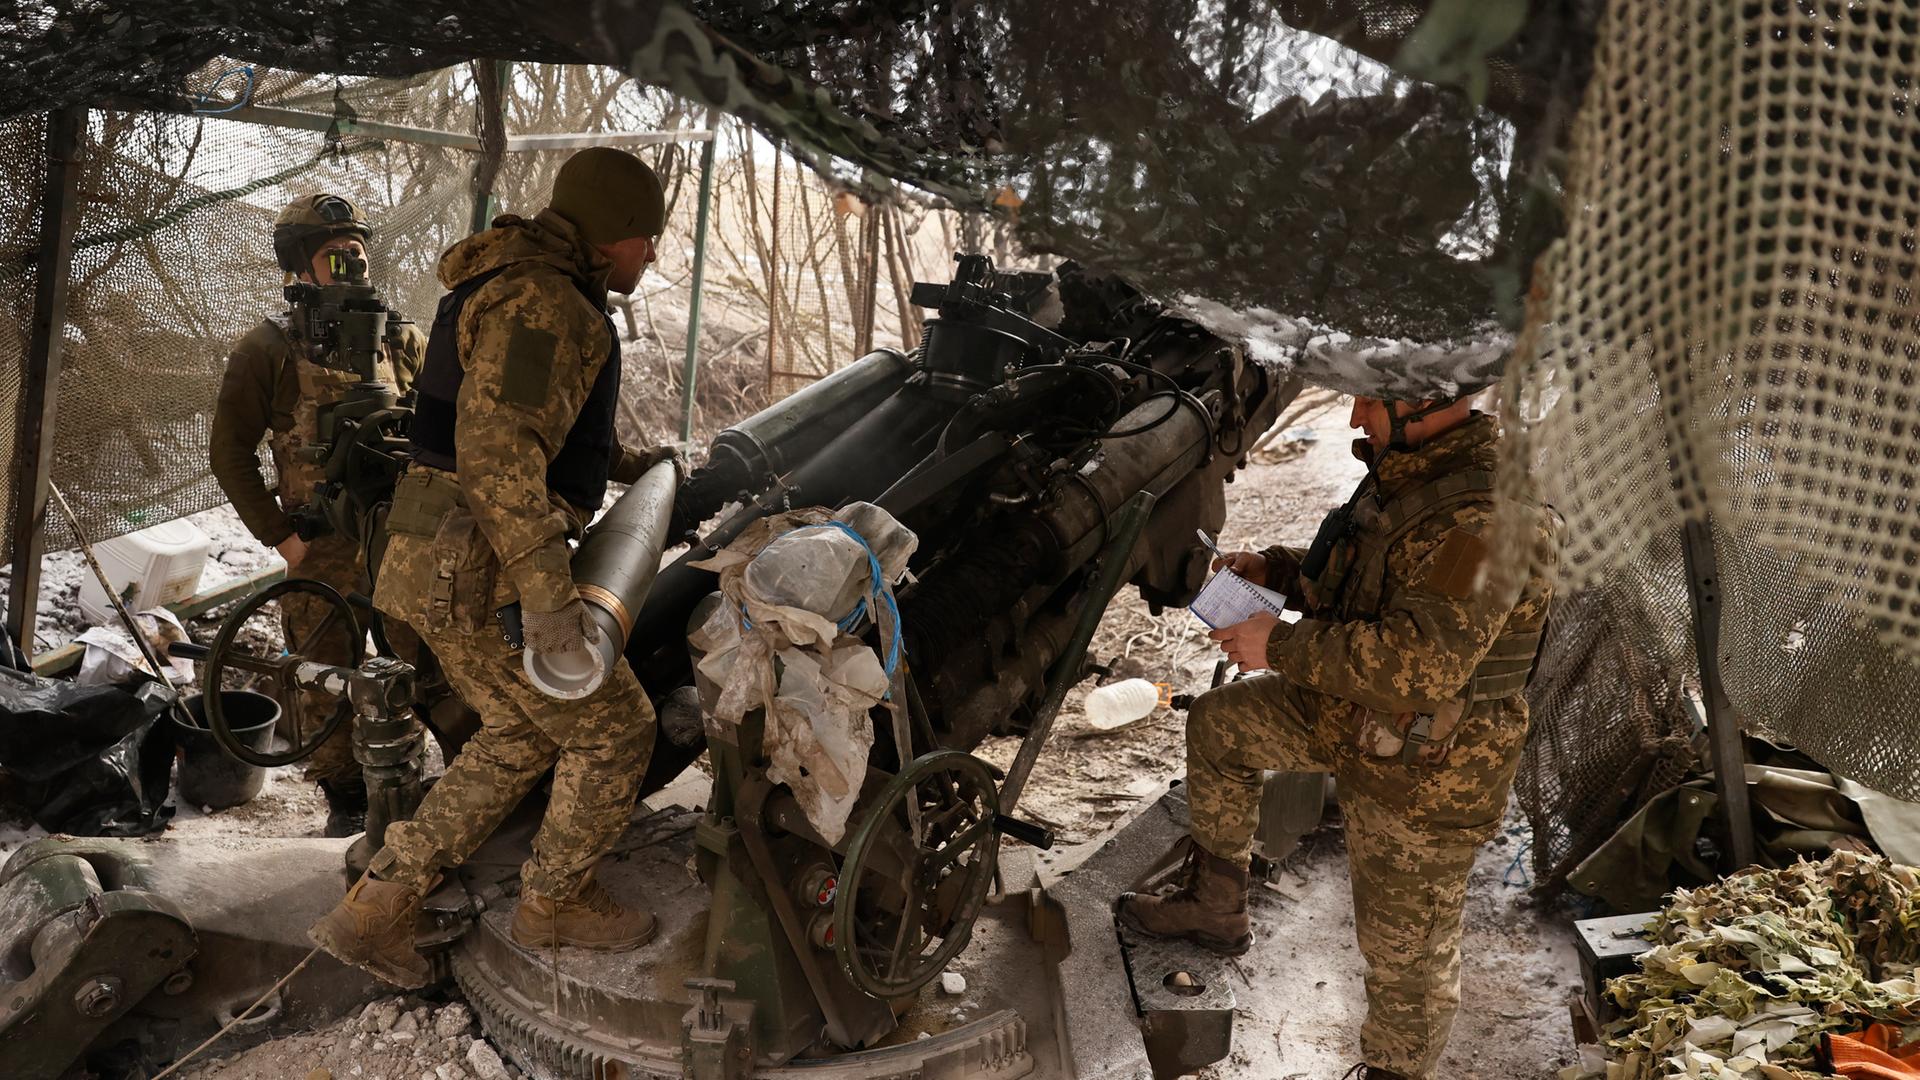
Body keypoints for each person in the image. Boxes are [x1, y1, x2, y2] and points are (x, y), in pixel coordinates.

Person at [309, 147, 678, 988]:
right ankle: (555, 899)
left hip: (435, 554)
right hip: (477, 564)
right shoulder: (546, 301)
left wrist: (635, 465)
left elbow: (524, 426)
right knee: (616, 726)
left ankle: (375, 909)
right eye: (644, 236)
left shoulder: (519, 281)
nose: (650, 253)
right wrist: (550, 603)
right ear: (611, 232)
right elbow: (498, 448)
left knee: (517, 732)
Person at [1115, 388, 1558, 1080]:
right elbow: (1364, 576)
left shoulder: (1490, 519)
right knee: (1220, 725)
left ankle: (1393, 1071)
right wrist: (1275, 571)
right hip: (1350, 716)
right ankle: (1215, 907)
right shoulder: (1412, 474)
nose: (1356, 419)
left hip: (1429, 765)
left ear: (1425, 401)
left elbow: (1421, 665)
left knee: (1404, 952)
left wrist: (1280, 645)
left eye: (1371, 405)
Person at [209, 194, 427, 838]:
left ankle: (416, 779)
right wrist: (280, 537)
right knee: (325, 674)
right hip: (320, 544)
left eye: (358, 248)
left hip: (397, 536)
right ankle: (348, 801)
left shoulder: (401, 336)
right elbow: (229, 451)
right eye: (336, 252)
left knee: (422, 659)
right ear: (301, 266)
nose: (353, 260)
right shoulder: (268, 347)